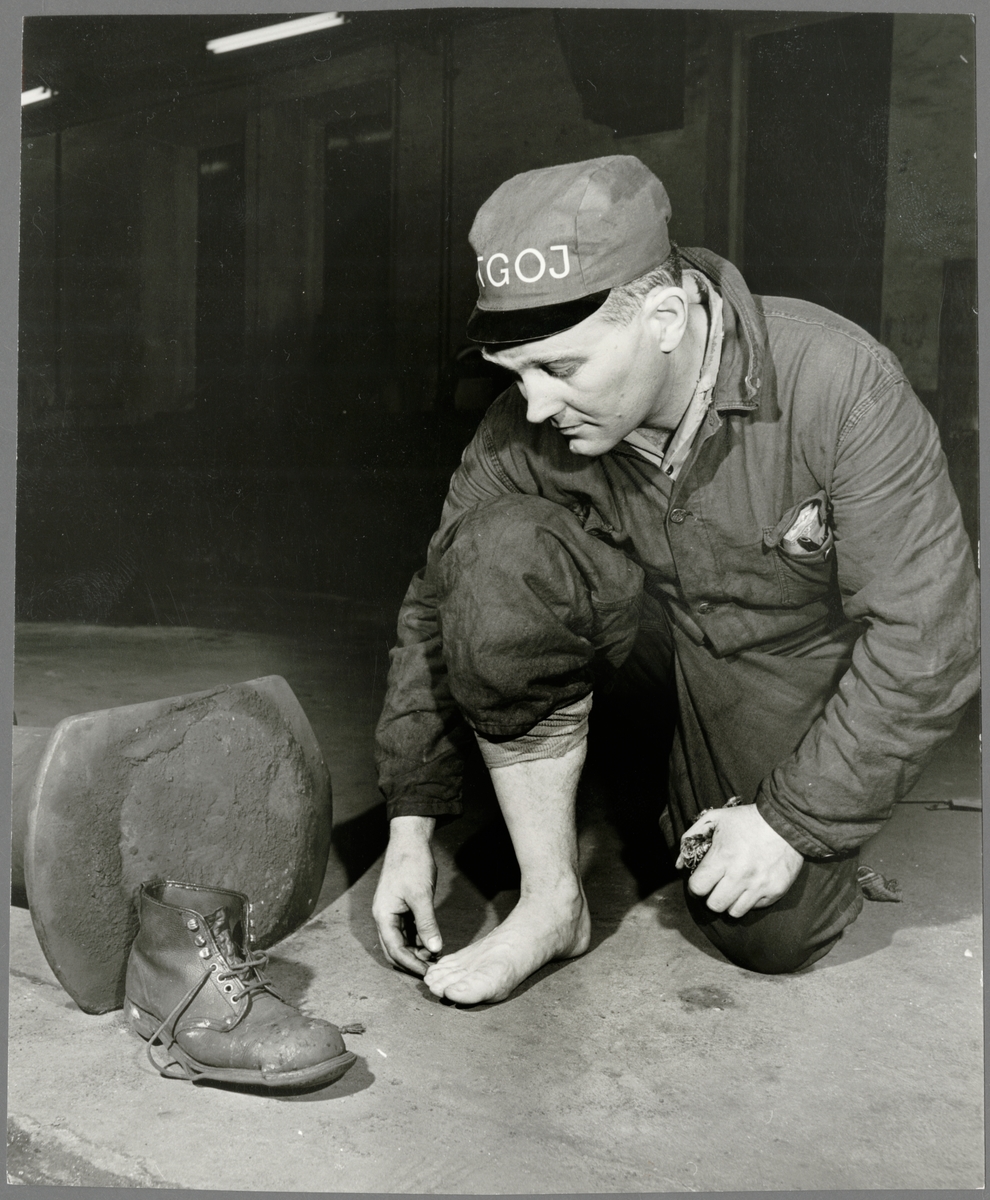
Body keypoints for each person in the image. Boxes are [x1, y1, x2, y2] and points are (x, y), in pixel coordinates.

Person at [371, 156, 980, 1005]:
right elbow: (436, 606)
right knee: (492, 553)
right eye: (516, 373)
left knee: (768, 933)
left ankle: (668, 800)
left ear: (663, 317)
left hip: (772, 666)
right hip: (641, 649)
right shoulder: (525, 423)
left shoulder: (842, 384)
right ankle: (552, 903)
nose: (534, 405)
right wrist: (411, 822)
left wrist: (791, 821)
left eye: (561, 368)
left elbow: (930, 636)